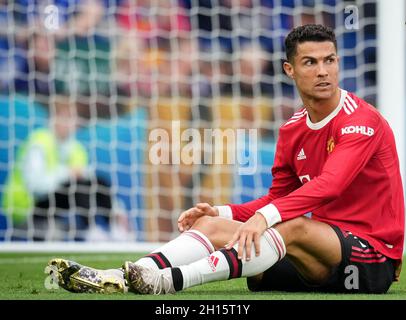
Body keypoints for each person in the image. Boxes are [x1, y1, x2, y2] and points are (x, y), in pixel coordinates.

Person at [46, 24, 404, 295]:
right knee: (212, 226)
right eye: (310, 62)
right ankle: (123, 276)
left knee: (289, 227)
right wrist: (225, 212)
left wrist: (264, 218)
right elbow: (278, 199)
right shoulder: (292, 129)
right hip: (315, 257)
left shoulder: (361, 120)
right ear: (289, 70)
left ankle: (167, 283)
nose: (323, 71)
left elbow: (330, 186)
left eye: (330, 60)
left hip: (370, 257)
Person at [2, 95, 116, 241]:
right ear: (53, 118)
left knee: (98, 182)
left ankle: (113, 227)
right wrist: (66, 173)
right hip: (27, 208)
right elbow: (35, 186)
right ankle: (92, 230)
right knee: (76, 185)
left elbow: (89, 182)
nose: (70, 123)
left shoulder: (76, 148)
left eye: (73, 118)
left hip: (56, 206)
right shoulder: (39, 142)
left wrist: (116, 208)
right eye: (66, 117)